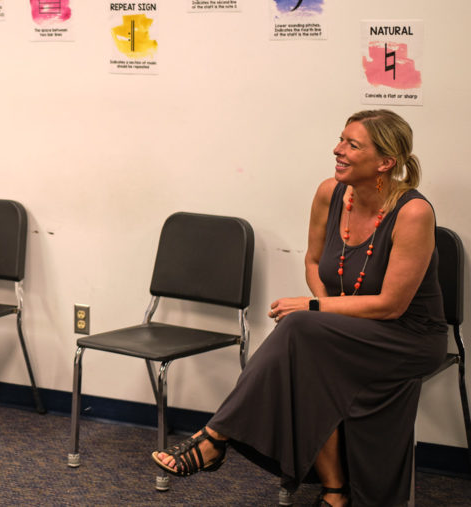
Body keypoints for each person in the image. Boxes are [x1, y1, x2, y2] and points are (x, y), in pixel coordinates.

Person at [150, 110, 447, 507]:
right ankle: (335, 492)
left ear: (385, 162)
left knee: (299, 330)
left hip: (407, 337)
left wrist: (314, 308)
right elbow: (312, 261)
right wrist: (322, 312)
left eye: (352, 144)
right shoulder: (330, 192)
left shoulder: (413, 212)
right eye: (340, 139)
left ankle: (215, 437)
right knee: (307, 350)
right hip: (349, 327)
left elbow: (392, 306)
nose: (337, 150)